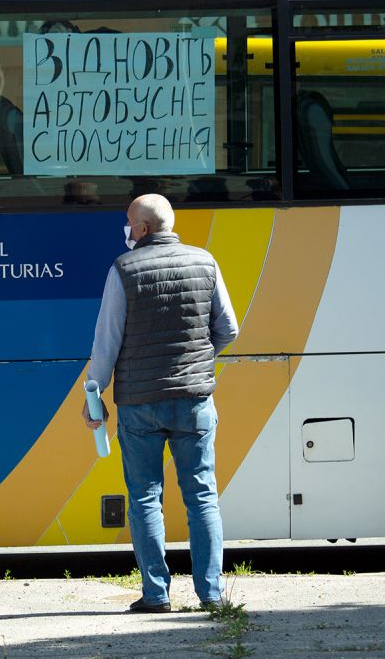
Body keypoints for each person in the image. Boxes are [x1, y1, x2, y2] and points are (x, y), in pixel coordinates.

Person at [82, 193, 239, 613]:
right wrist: (197, 362)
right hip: (194, 400)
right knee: (202, 495)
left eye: (129, 222)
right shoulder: (205, 262)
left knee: (145, 498)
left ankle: (156, 594)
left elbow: (107, 340)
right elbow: (228, 328)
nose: (126, 229)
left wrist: (94, 394)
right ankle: (211, 594)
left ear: (144, 228)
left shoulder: (123, 268)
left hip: (140, 403)